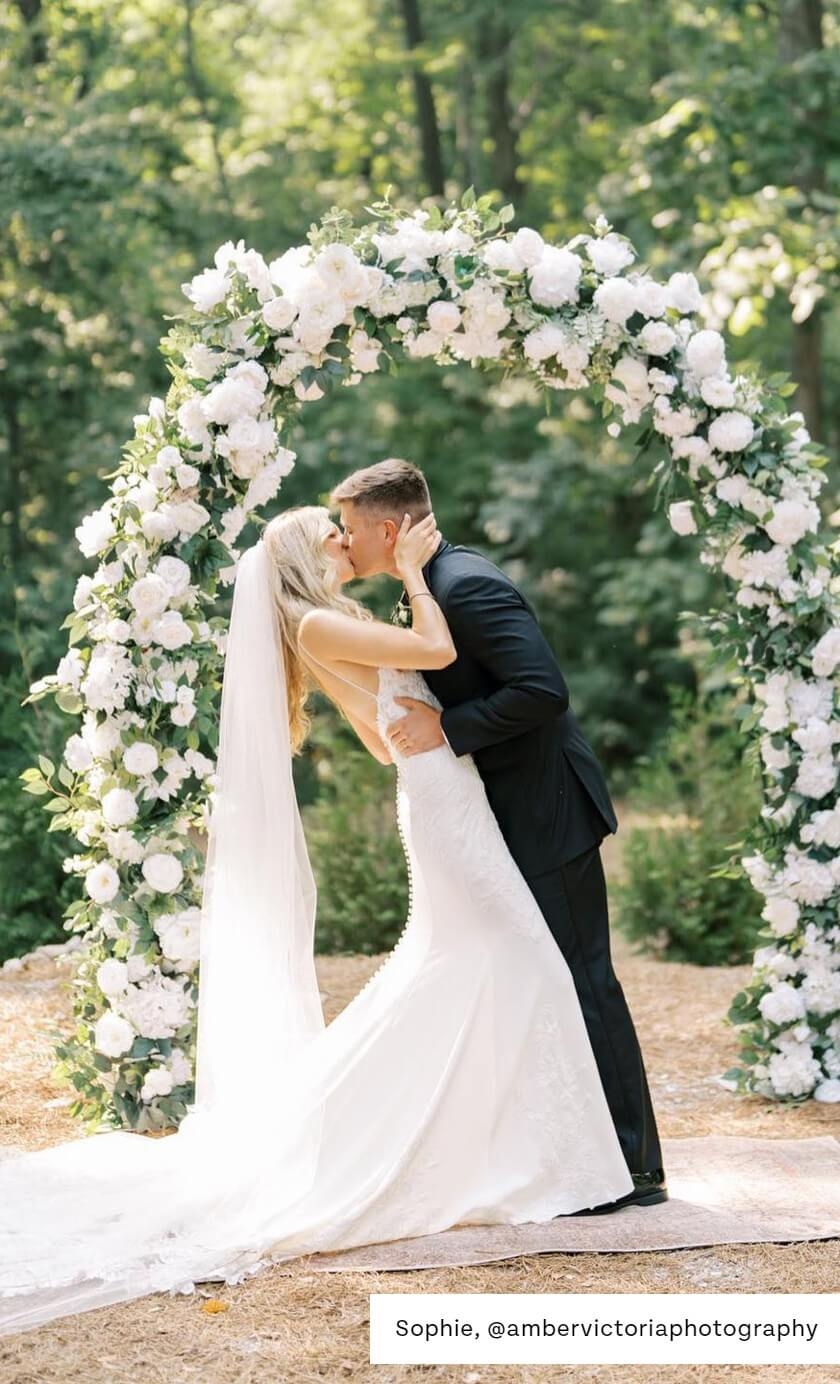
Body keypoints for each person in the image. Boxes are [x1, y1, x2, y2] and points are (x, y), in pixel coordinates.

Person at [0, 503, 635, 1336]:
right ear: (305, 553)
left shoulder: (328, 623)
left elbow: (383, 741)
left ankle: (503, 1136)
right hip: (447, 805)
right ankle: (468, 1140)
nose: (346, 540)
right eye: (331, 533)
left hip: (448, 795)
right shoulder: (316, 626)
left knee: (481, 963)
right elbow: (438, 653)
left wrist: (428, 733)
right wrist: (411, 574)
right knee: (512, 958)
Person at [330, 458, 667, 1214]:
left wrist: (448, 728)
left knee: (583, 979)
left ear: (388, 529)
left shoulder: (465, 586)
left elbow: (543, 691)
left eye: (350, 529)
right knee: (536, 981)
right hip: (497, 816)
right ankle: (574, 1153)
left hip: (547, 812)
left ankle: (637, 1168)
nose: (343, 541)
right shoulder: (427, 592)